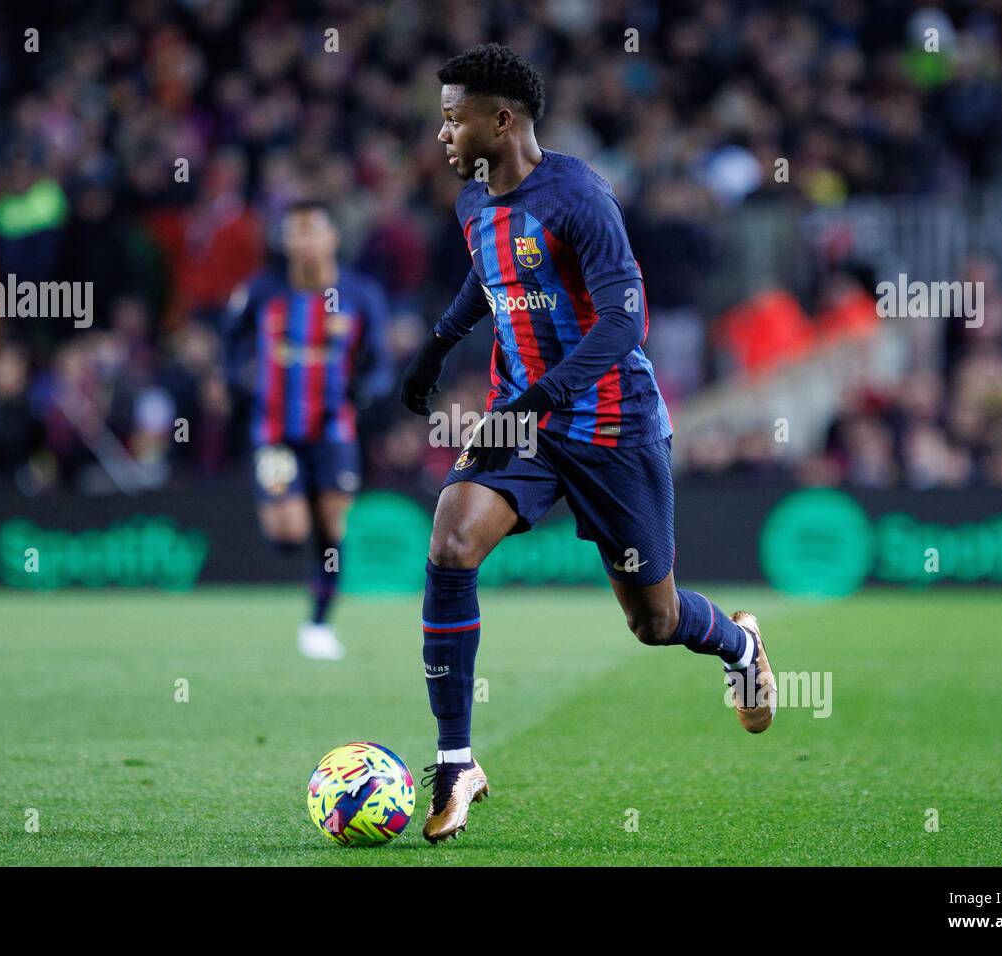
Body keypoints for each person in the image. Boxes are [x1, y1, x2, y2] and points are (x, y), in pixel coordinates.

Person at [400, 44, 776, 843]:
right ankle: (458, 758)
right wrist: (438, 344)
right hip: (521, 417)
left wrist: (550, 391)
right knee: (451, 542)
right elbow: (487, 275)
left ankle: (740, 644)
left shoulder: (579, 198)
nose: (443, 134)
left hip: (612, 425)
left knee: (654, 620)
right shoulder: (473, 201)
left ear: (501, 120)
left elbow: (623, 322)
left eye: (453, 118)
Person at [225, 200, 390, 660]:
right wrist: (240, 378)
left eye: (311, 231)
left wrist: (366, 390)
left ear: (331, 237)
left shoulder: (360, 294)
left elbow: (380, 360)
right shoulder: (262, 291)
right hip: (274, 430)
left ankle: (318, 623)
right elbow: (231, 342)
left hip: (334, 430)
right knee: (289, 533)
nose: (303, 241)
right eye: (294, 233)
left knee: (332, 524)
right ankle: (283, 519)